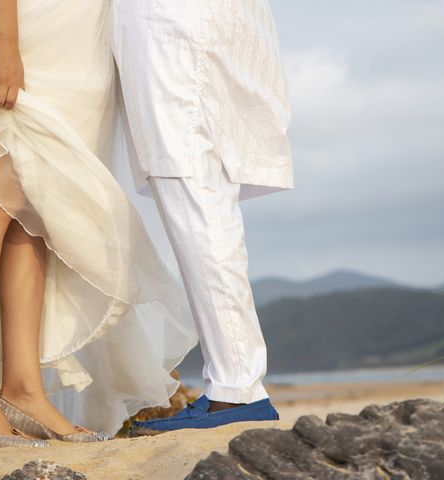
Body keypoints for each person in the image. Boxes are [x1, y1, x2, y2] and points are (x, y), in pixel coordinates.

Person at [0, 0, 197, 448]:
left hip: (85, 37)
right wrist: (6, 38)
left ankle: (23, 388)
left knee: (40, 207)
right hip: (34, 25)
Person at [111, 0, 294, 434]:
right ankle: (233, 382)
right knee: (194, 188)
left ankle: (237, 388)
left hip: (173, 26)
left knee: (192, 186)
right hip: (178, 26)